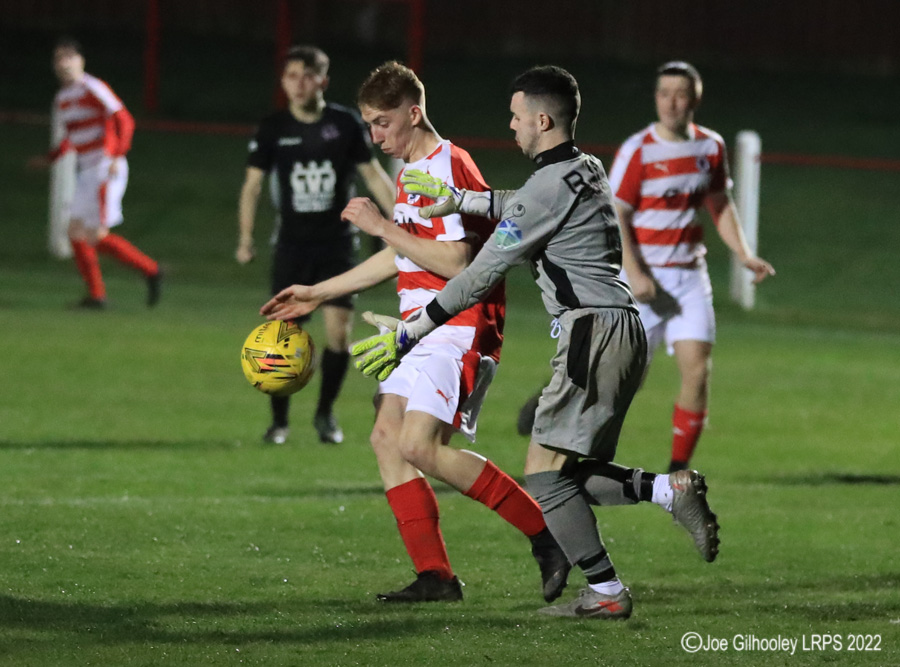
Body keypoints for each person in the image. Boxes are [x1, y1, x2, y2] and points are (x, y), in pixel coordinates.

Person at [349, 65, 720, 619]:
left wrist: (412, 330)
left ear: (542, 120)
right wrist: (462, 201)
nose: (511, 125)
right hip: (619, 329)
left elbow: (476, 275)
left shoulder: (546, 185)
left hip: (592, 332)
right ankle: (667, 493)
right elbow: (522, 201)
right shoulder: (584, 167)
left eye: (517, 116)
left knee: (545, 476)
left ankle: (609, 589)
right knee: (561, 475)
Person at [261, 61, 569, 604]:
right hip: (418, 328)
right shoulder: (411, 172)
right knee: (387, 438)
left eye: (382, 123)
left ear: (414, 113)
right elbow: (400, 256)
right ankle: (435, 576)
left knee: (419, 445)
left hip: (459, 325)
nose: (376, 136)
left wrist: (382, 226)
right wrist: (317, 292)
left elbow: (458, 262)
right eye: (369, 125)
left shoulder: (448, 166)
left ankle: (547, 534)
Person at [608, 61, 775, 472]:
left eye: (680, 95)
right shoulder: (638, 150)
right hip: (643, 278)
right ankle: (559, 411)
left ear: (695, 99)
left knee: (698, 371)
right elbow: (616, 213)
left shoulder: (710, 147)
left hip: (688, 277)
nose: (671, 103)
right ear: (656, 98)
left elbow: (719, 203)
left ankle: (677, 474)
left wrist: (744, 253)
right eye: (664, 94)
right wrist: (635, 272)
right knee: (622, 382)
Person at [237, 45, 396, 445]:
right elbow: (252, 186)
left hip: (337, 246)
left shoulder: (344, 124)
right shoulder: (273, 128)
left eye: (307, 76)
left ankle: (325, 414)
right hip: (291, 246)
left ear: (323, 81)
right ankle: (279, 422)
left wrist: (401, 223)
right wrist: (245, 238)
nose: (298, 84)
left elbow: (373, 175)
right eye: (291, 76)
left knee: (338, 335)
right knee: (280, 336)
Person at [30, 37, 162, 309]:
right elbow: (72, 136)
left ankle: (151, 270)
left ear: (81, 60)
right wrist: (50, 158)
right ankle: (97, 296)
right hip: (87, 171)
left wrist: (117, 154)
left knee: (95, 235)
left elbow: (124, 119)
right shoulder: (62, 98)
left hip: (105, 167)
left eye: (69, 56)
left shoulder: (92, 87)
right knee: (75, 232)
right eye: (58, 58)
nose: (63, 63)